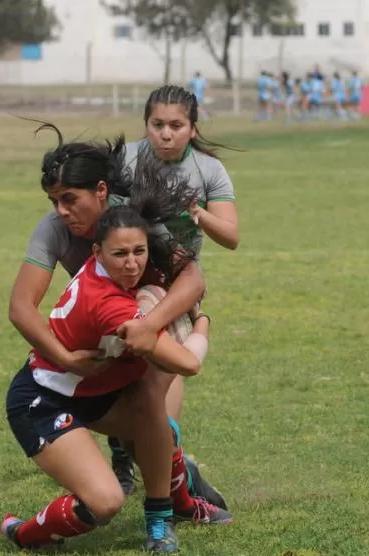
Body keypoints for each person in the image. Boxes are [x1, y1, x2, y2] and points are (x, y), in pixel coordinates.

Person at [8, 122, 233, 521]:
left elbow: (194, 278)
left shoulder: (132, 217)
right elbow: (22, 308)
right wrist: (66, 357)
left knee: (156, 424)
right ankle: (170, 481)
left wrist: (153, 323)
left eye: (68, 199)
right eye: (53, 200)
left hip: (151, 315)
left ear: (100, 191)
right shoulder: (54, 228)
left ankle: (173, 493)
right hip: (108, 327)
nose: (60, 210)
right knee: (147, 436)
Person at [116, 85, 239, 496]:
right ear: (146, 125)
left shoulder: (208, 170)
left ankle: (162, 453)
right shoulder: (127, 160)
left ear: (192, 128)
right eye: (156, 125)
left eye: (175, 125)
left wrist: (197, 213)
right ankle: (151, 454)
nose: (165, 134)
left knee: (163, 366)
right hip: (126, 281)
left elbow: (232, 236)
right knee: (132, 368)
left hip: (178, 283)